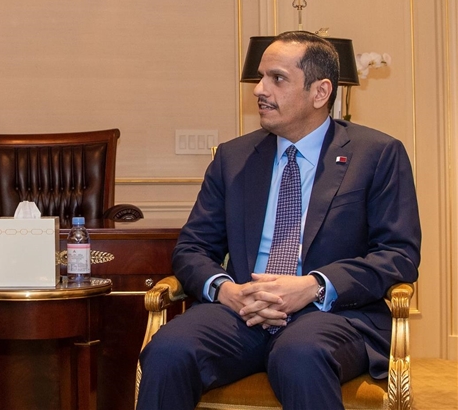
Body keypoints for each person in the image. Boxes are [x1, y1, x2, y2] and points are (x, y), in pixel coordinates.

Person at [137, 30, 421, 409]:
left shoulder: (376, 154)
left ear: (320, 92)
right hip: (242, 311)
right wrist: (226, 291)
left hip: (332, 316)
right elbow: (192, 248)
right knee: (169, 349)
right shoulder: (233, 158)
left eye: (277, 78)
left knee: (299, 354)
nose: (259, 89)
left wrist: (314, 286)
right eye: (260, 77)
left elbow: (398, 254)